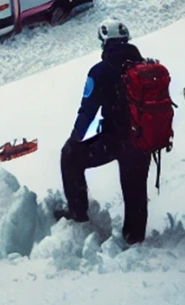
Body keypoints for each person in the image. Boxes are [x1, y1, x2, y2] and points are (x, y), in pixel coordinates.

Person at [60, 18, 152, 246]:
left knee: (70, 156)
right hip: (143, 138)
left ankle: (78, 214)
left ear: (103, 42)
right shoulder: (145, 67)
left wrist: (75, 139)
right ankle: (135, 237)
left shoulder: (101, 70)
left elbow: (88, 109)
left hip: (116, 140)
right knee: (135, 190)